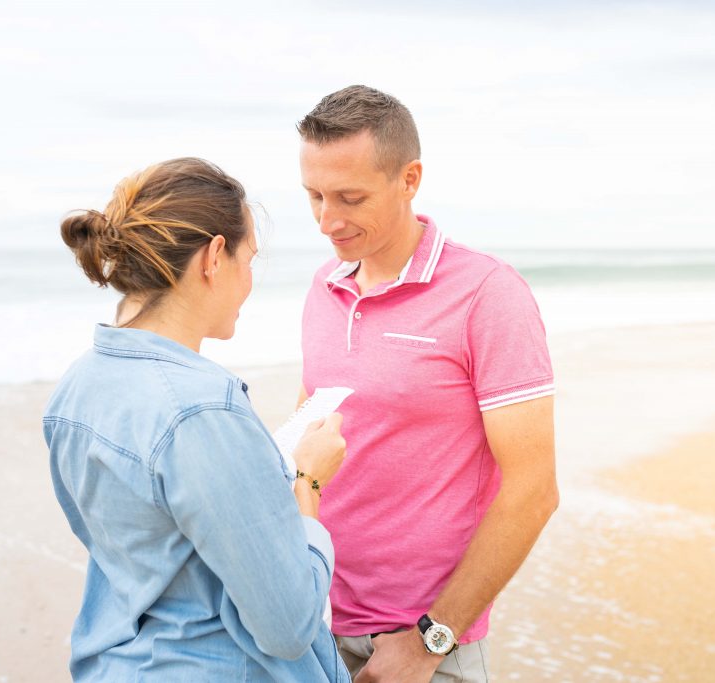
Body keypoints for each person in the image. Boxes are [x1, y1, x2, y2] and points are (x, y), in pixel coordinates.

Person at [43, 157, 351, 682]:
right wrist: (308, 480)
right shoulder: (203, 409)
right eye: (248, 259)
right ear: (214, 256)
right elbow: (289, 624)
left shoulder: (77, 386)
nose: (249, 280)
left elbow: (140, 554)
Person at [296, 85, 559, 682]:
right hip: (314, 620)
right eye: (313, 196)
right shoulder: (323, 285)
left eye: (350, 197)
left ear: (409, 179)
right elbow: (316, 426)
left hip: (423, 639)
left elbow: (534, 490)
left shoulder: (488, 293)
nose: (326, 220)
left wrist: (431, 639)